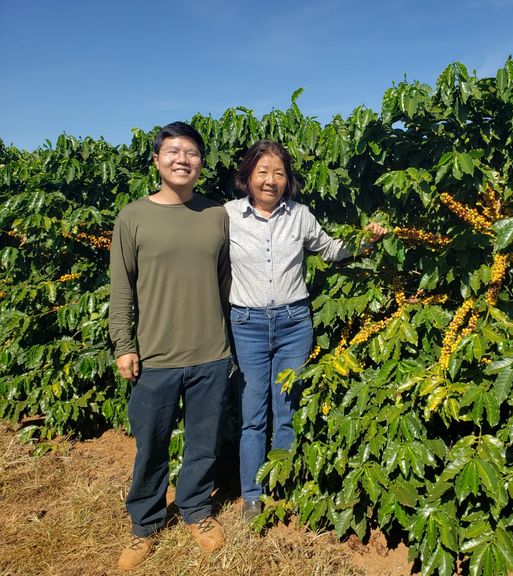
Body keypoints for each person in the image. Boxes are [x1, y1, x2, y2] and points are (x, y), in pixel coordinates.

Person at [225, 140, 386, 521]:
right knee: (253, 414)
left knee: (287, 407)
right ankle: (252, 494)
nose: (270, 180)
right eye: (262, 172)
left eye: (279, 173)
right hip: (246, 325)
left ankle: (283, 484)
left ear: (288, 179)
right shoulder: (227, 216)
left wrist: (368, 241)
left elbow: (330, 249)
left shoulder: (299, 216)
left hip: (294, 324)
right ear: (247, 176)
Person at [109, 121, 232, 571]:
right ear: (157, 159)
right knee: (151, 444)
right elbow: (121, 287)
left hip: (211, 355)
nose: (183, 160)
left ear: (202, 162)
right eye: (174, 151)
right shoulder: (133, 217)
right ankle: (145, 523)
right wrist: (124, 343)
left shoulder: (216, 215)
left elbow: (225, 283)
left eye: (192, 153)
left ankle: (196, 509)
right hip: (156, 357)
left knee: (202, 442)